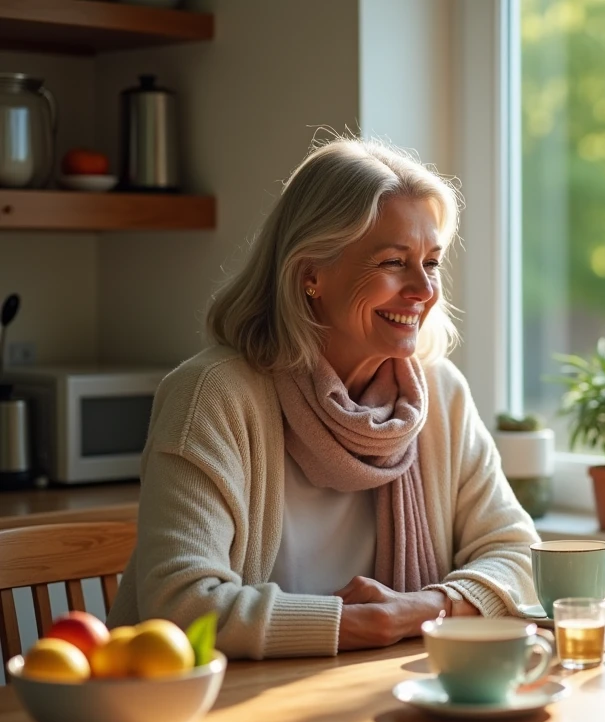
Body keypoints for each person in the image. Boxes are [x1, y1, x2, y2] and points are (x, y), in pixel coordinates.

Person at [108, 138, 539, 659]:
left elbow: (518, 555)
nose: (423, 290)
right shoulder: (211, 395)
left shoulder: (440, 393)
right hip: (216, 710)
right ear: (311, 274)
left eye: (431, 262)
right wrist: (357, 625)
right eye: (393, 262)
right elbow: (180, 604)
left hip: (369, 697)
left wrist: (419, 609)